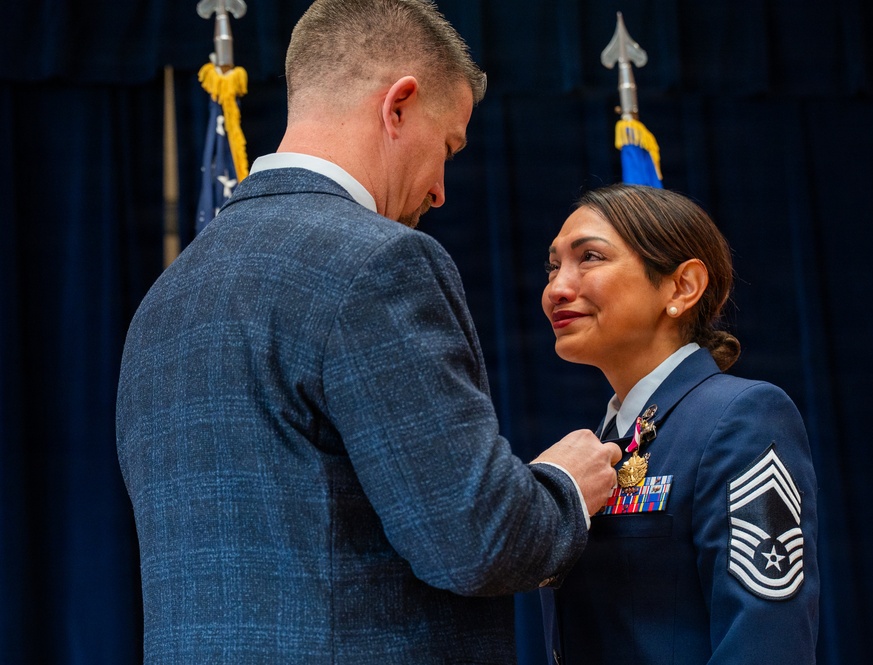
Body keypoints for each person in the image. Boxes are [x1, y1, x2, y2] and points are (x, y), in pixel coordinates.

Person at [115, 1, 622, 662]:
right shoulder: (380, 261)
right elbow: (474, 537)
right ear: (400, 105)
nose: (440, 190)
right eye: (448, 147)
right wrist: (561, 485)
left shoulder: (165, 296)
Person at [540, 184, 819, 663]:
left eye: (589, 257)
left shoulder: (741, 417)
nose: (557, 288)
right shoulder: (609, 440)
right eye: (553, 265)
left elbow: (764, 643)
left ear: (681, 286)